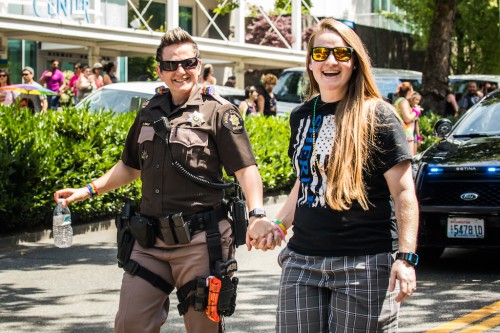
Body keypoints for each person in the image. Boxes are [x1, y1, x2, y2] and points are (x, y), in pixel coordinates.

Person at [54, 27, 273, 333]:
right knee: (130, 323)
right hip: (149, 240)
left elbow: (245, 169)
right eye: (170, 65)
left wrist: (257, 214)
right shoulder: (148, 111)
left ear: (198, 64)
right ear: (159, 70)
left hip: (200, 241)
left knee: (202, 328)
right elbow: (130, 167)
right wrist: (87, 190)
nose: (180, 71)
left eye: (188, 63)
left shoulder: (219, 112)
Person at [250, 18, 419, 332]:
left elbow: (404, 192)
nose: (330, 61)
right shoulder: (302, 115)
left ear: (354, 63)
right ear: (310, 64)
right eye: (320, 54)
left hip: (363, 263)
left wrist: (406, 258)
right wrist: (279, 224)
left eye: (341, 54)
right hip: (302, 260)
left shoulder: (378, 115)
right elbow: (306, 179)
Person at [394, 81, 419, 155]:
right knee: (409, 159)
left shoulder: (399, 100)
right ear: (409, 91)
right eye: (412, 90)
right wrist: (416, 112)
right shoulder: (403, 101)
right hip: (406, 134)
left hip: (403, 133)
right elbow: (407, 118)